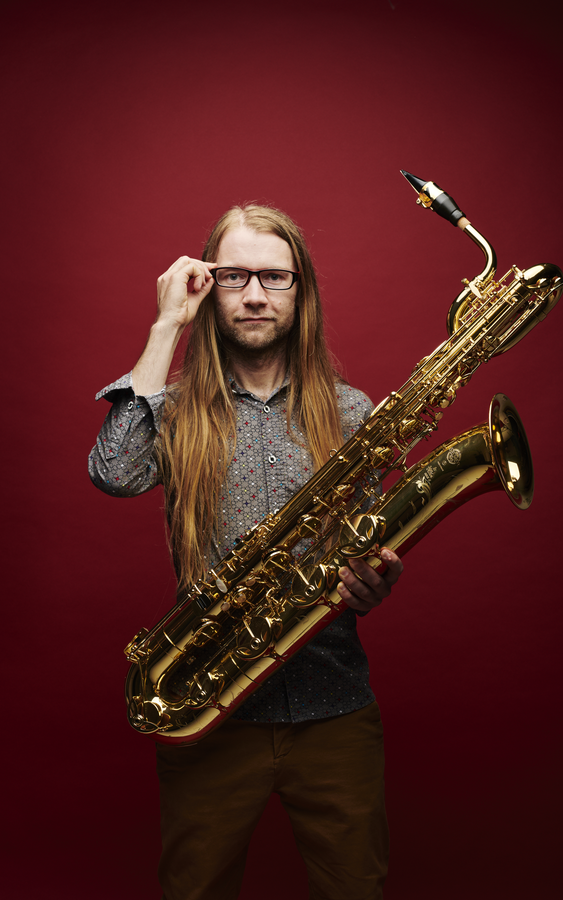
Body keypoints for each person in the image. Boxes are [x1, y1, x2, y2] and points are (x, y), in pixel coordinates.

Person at [89, 204, 404, 900]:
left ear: (301, 291)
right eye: (234, 276)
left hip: (335, 707)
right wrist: (165, 324)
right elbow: (112, 471)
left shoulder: (354, 413)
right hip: (210, 711)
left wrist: (376, 576)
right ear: (206, 286)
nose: (255, 295)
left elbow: (368, 541)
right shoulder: (171, 409)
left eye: (273, 277)